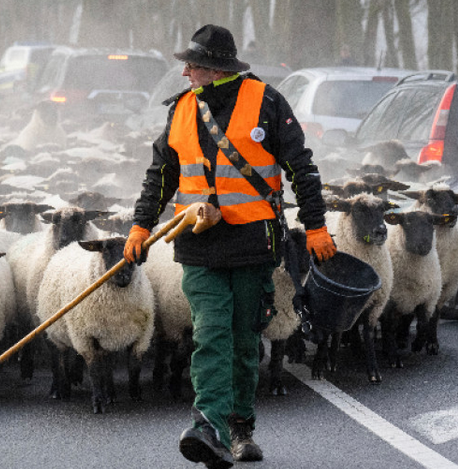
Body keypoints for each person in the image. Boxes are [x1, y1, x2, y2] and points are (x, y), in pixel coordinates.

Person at [123, 24, 336, 469]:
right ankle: (210, 425)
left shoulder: (268, 103)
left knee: (243, 340)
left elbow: (301, 166)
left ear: (217, 69)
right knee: (211, 333)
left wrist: (315, 226)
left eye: (193, 65)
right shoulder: (181, 110)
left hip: (252, 242)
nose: (185, 73)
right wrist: (140, 225)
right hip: (197, 245)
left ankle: (240, 427)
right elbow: (160, 172)